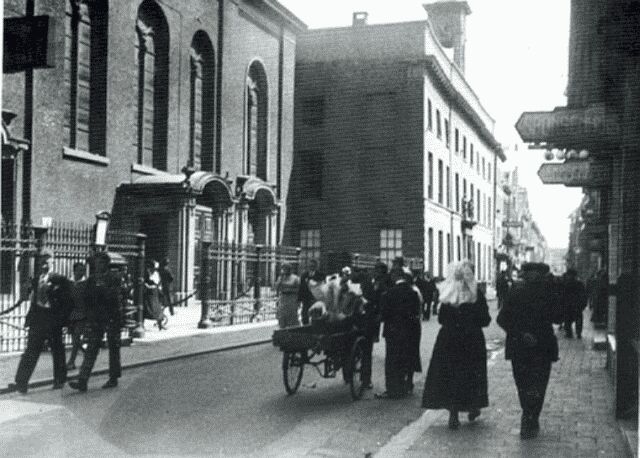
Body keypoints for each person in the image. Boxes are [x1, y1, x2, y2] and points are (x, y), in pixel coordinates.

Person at [422, 260, 491, 430]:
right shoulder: (476, 295)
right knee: (472, 374)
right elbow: (485, 320)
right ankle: (473, 406)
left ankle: (453, 413)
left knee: (451, 374)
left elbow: (441, 319)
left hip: (449, 340)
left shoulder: (448, 295)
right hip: (472, 340)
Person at [497, 262, 562, 439]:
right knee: (538, 384)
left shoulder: (516, 290)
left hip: (521, 346)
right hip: (542, 346)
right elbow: (558, 317)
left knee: (524, 383)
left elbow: (502, 319)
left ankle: (528, 415)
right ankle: (531, 416)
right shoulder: (548, 292)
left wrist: (520, 334)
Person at [14, 249, 75, 394]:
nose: (44, 265)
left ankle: (60, 380)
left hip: (53, 319)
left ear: (53, 262)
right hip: (38, 319)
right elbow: (31, 301)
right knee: (31, 350)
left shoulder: (61, 280)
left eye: (47, 261)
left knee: (57, 350)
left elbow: (68, 301)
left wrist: (63, 319)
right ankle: (21, 382)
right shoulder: (36, 280)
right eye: (42, 262)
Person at [69, 252, 123, 392]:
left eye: (100, 262)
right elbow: (86, 296)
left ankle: (113, 377)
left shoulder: (114, 277)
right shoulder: (92, 279)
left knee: (113, 348)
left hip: (111, 317)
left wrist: (100, 291)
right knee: (91, 348)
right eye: (96, 263)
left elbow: (114, 296)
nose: (98, 265)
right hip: (97, 318)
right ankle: (83, 380)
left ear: (106, 263)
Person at [376, 266, 422, 399]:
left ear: (394, 277)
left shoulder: (389, 293)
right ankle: (403, 387)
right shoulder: (412, 293)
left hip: (392, 331)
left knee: (391, 360)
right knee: (404, 358)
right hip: (408, 332)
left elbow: (384, 315)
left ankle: (392, 390)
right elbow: (416, 313)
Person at [67, 261, 88, 370]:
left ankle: (71, 361)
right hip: (71, 314)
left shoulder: (86, 284)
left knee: (76, 337)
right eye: (79, 270)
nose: (82, 272)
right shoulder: (69, 282)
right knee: (74, 339)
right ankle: (87, 353)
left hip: (82, 314)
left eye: (83, 270)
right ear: (74, 270)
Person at [561, 269, 588, 338]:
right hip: (576, 305)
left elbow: (562, 295)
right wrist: (583, 304)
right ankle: (578, 333)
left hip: (569, 305)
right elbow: (584, 295)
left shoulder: (565, 284)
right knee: (577, 320)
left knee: (568, 320)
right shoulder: (579, 284)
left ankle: (569, 333)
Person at [298, 259, 324, 325]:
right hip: (306, 299)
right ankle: (305, 328)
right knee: (304, 315)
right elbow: (301, 287)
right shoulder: (304, 275)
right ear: (308, 266)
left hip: (315, 299)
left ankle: (315, 327)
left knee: (315, 315)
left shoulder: (321, 275)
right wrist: (299, 299)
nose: (311, 267)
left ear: (316, 266)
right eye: (310, 266)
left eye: (313, 266)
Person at [275, 263, 300, 328]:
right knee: (282, 316)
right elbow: (277, 288)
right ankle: (282, 329)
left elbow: (299, 289)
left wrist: (289, 290)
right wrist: (280, 280)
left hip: (292, 299)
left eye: (286, 268)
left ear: (290, 269)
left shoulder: (295, 278)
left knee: (291, 317)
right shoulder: (281, 278)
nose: (284, 270)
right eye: (283, 269)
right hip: (283, 299)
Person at [144, 259, 166, 330]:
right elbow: (145, 282)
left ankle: (160, 324)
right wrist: (147, 285)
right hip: (148, 293)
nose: (154, 269)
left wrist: (158, 288)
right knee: (147, 309)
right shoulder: (147, 273)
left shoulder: (156, 274)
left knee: (157, 309)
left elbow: (158, 283)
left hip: (155, 293)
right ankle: (142, 324)